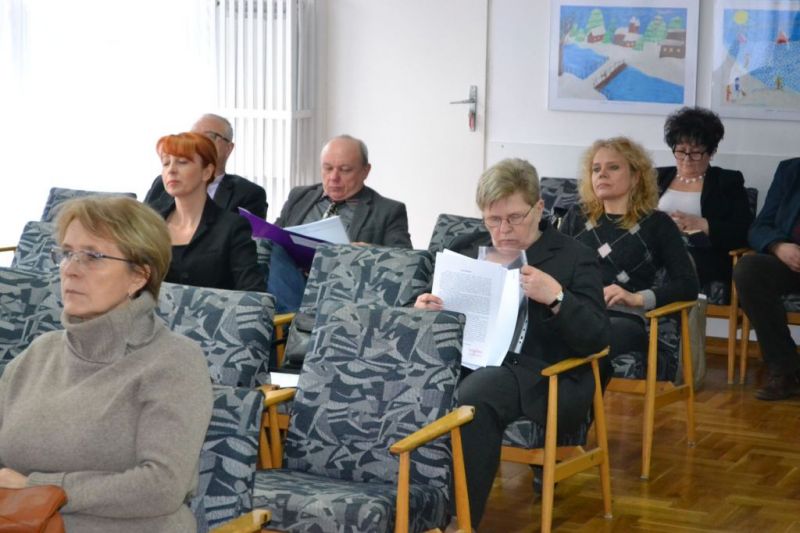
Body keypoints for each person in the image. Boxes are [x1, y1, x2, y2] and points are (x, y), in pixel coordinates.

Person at [414, 158, 610, 528]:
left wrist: (557, 298)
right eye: (493, 220)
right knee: (412, 385)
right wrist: (422, 308)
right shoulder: (464, 247)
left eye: (515, 218)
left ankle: (458, 521)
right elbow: (421, 301)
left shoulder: (573, 256)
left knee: (475, 396)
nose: (503, 230)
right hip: (466, 360)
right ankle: (407, 509)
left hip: (539, 373)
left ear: (539, 208)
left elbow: (597, 338)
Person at [0, 196, 213, 532]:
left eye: (93, 256)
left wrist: (37, 487)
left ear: (138, 276)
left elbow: (161, 486)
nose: (70, 269)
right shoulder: (38, 354)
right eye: (67, 253)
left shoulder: (174, 361)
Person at [561, 137, 698, 371]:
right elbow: (555, 269)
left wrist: (637, 298)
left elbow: (687, 284)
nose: (602, 174)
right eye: (596, 169)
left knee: (587, 340)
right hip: (575, 313)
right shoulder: (576, 217)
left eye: (613, 167)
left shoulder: (658, 224)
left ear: (636, 177)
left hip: (624, 319)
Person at [656, 106, 751, 299]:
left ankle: (666, 316)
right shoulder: (655, 177)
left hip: (703, 256)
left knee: (675, 262)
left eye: (696, 152)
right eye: (681, 151)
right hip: (655, 248)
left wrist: (703, 224)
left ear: (711, 152)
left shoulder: (727, 181)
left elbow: (744, 231)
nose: (687, 159)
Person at [155, 132, 265, 292]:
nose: (171, 170)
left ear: (207, 172)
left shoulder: (232, 227)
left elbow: (253, 293)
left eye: (182, 162)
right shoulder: (150, 225)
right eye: (166, 163)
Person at [733, 157, 800, 401]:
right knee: (749, 269)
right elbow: (760, 226)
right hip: (791, 260)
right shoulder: (791, 171)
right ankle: (785, 368)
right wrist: (778, 246)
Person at [275, 134, 412, 247]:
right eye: (328, 168)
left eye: (345, 170)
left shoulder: (388, 211)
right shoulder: (299, 196)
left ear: (365, 171)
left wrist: (371, 252)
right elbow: (271, 240)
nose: (333, 177)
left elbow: (404, 260)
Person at [145, 114, 268, 218]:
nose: (198, 143)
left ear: (228, 148)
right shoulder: (163, 183)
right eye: (192, 137)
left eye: (209, 137)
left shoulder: (248, 194)